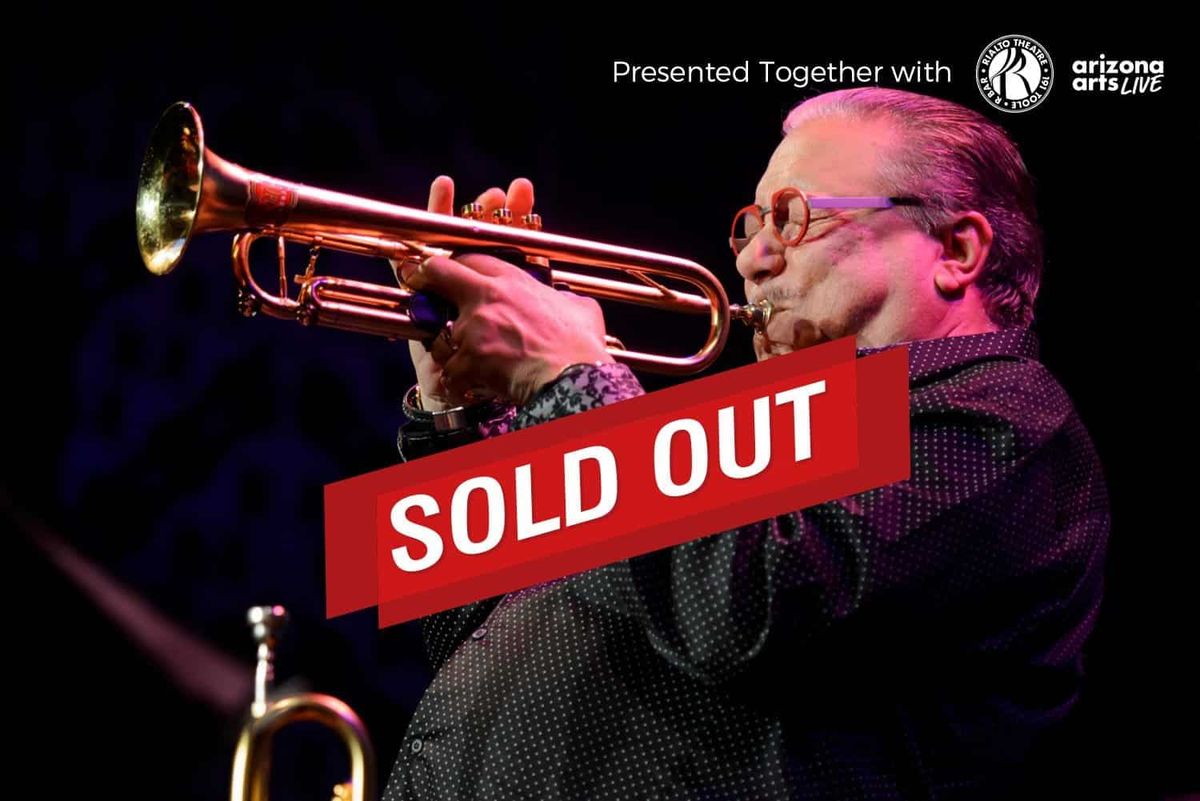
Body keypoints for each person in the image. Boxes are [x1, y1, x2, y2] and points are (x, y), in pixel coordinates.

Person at [382, 88, 1110, 801]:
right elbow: (467, 638)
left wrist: (569, 380)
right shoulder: (773, 429)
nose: (751, 259)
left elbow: (744, 608)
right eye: (753, 224)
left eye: (792, 218)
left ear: (956, 249)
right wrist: (465, 417)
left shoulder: (1005, 422)